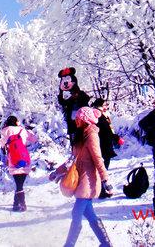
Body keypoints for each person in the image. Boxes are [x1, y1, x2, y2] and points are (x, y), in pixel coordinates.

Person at [63, 106, 113, 247]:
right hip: (80, 179)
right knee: (90, 215)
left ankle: (69, 245)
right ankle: (106, 244)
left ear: (84, 119)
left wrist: (105, 179)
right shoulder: (80, 135)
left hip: (88, 180)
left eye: (78, 118)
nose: (76, 120)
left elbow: (98, 158)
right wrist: (58, 171)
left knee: (76, 214)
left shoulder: (91, 135)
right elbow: (73, 158)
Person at [0, 116, 38, 212]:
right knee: (20, 184)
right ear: (16, 122)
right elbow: (34, 139)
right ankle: (17, 204)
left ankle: (20, 204)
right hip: (24, 158)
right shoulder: (22, 130)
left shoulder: (5, 131)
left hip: (13, 159)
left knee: (18, 184)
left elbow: (1, 144)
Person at [91, 98, 123, 197]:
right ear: (99, 106)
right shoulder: (99, 116)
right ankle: (100, 191)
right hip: (103, 146)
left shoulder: (98, 115)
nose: (106, 107)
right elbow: (107, 131)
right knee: (102, 169)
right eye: (105, 105)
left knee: (102, 168)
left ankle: (100, 189)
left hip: (102, 145)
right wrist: (116, 138)